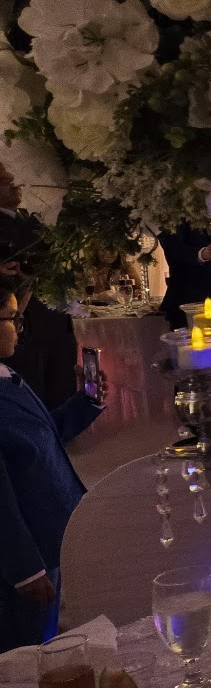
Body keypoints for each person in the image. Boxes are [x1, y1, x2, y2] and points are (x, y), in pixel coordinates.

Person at [0, 277, 103, 651]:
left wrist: (86, 402)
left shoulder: (7, 376)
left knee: (46, 635)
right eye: (12, 318)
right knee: (24, 649)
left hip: (49, 534)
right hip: (28, 549)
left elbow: (41, 437)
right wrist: (24, 569)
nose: (20, 328)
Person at [0, 163, 79, 410]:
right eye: (5, 181)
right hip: (23, 323)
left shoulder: (33, 219)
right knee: (32, 397)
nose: (15, 185)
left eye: (13, 179)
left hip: (55, 319)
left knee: (62, 391)